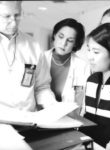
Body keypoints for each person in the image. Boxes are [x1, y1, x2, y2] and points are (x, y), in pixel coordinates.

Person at [0, 1, 56, 149]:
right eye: (6, 16)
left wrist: (52, 106)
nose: (13, 22)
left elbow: (42, 86)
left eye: (17, 15)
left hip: (29, 123)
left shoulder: (33, 45)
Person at [45, 18, 90, 116]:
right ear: (54, 35)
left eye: (70, 40)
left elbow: (83, 102)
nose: (63, 43)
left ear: (75, 44)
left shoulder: (82, 66)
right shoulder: (40, 59)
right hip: (38, 117)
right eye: (61, 37)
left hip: (68, 120)